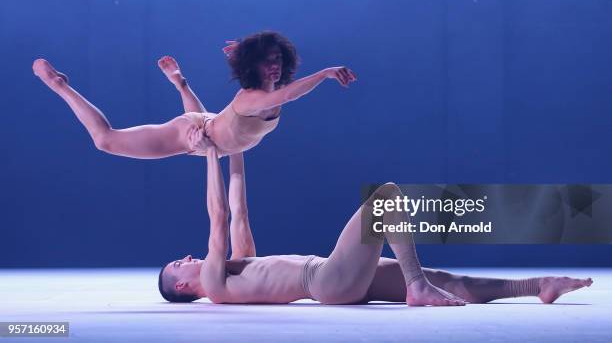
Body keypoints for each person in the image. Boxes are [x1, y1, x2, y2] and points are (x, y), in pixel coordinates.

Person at [157, 125, 593, 305]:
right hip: (326, 282)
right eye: (179, 264)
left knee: (445, 277)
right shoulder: (214, 284)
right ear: (182, 284)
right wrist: (209, 153)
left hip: (332, 274)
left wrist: (233, 148)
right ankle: (417, 288)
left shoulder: (235, 267)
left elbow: (237, 210)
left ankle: (537, 285)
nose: (187, 257)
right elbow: (216, 217)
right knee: (386, 198)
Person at [32, 30, 357, 159]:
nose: (274, 66)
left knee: (208, 122)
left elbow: (280, 94)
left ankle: (180, 83)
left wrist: (246, 50)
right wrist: (326, 73)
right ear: (251, 66)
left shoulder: (269, 91)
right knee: (105, 140)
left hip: (209, 127)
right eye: (265, 60)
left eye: (277, 59)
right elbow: (287, 97)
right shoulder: (251, 97)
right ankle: (61, 85)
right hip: (189, 135)